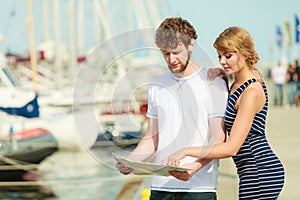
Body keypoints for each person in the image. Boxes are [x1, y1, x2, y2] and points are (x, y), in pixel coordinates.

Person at [165, 27, 285, 199]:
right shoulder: (236, 82)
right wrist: (221, 74)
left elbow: (232, 147)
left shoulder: (251, 92)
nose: (222, 61)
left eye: (228, 56)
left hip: (260, 171)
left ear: (244, 53)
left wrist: (186, 150)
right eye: (219, 56)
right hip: (249, 170)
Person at [115, 17, 228, 200]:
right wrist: (132, 161)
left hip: (199, 188)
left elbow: (218, 138)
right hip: (161, 187)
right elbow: (152, 138)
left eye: (176, 52)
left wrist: (195, 166)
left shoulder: (213, 83)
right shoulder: (157, 85)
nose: (172, 59)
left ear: (191, 44)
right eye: (166, 54)